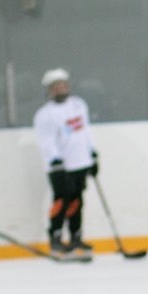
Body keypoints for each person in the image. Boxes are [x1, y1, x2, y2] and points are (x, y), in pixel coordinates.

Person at [33, 68, 97, 256]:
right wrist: (55, 161)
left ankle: (76, 237)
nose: (60, 89)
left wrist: (92, 154)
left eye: (62, 85)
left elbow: (85, 131)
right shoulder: (45, 114)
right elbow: (46, 141)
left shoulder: (78, 105)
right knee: (62, 201)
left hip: (80, 162)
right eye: (55, 87)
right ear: (49, 90)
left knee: (77, 201)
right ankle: (56, 238)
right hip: (60, 167)